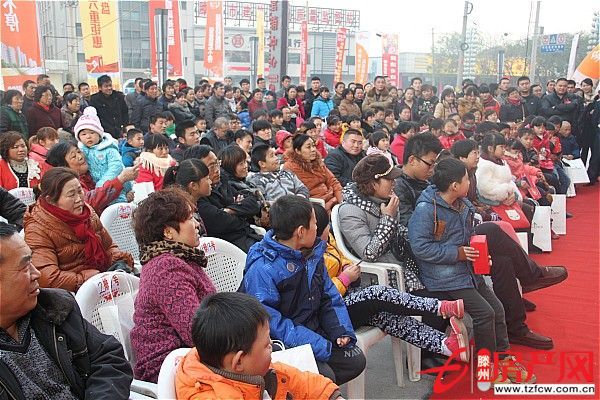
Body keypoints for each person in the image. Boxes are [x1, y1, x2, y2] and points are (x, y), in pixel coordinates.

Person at [409, 158, 538, 383]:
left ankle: (502, 359)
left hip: (467, 272)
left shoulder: (463, 205)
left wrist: (479, 253)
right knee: (484, 313)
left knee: (497, 309)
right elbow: (420, 247)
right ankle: (485, 368)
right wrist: (456, 253)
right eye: (466, 179)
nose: (470, 182)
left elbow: (468, 237)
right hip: (444, 278)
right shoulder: (426, 210)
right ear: (454, 186)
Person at [314, 200, 470, 363]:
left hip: (346, 298)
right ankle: (439, 307)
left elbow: (340, 256)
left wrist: (346, 265)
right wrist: (344, 279)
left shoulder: (325, 241)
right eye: (323, 228)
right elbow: (320, 296)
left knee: (388, 317)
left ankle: (445, 345)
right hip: (331, 312)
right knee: (376, 293)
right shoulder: (311, 259)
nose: (329, 231)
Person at [241, 195, 366, 385]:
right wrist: (317, 344)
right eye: (314, 223)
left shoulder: (312, 253)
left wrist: (340, 330)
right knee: (324, 377)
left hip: (311, 330)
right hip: (281, 344)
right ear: (300, 232)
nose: (318, 227)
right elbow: (270, 323)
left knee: (355, 361)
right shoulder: (264, 268)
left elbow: (329, 296)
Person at [0, 222, 133, 399]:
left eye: (31, 262)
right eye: (25, 267)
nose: (36, 274)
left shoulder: (54, 308)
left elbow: (108, 358)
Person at [176, 292, 342, 399]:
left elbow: (299, 381)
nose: (272, 344)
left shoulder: (254, 370)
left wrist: (331, 396)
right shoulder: (214, 396)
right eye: (266, 344)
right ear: (239, 361)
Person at [131, 188, 215, 383]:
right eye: (190, 218)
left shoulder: (183, 257)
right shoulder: (166, 268)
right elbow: (196, 333)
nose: (197, 224)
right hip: (169, 368)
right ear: (168, 232)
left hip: (193, 358)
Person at [23, 168, 133, 291]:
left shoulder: (88, 212)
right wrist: (85, 279)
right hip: (71, 294)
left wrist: (117, 260)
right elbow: (48, 278)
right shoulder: (37, 229)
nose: (79, 199)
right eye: (71, 195)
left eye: (79, 191)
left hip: (102, 282)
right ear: (51, 200)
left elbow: (108, 246)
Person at [186, 145, 263, 252]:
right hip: (229, 248)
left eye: (217, 163)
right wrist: (241, 213)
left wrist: (228, 210)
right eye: (211, 166)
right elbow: (221, 222)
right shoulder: (197, 198)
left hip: (249, 235)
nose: (217, 170)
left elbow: (253, 203)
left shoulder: (222, 182)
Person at [46, 141, 137, 214]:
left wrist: (122, 196)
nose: (80, 157)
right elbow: (89, 201)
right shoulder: (68, 183)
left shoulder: (92, 171)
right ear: (63, 166)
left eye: (79, 151)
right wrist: (121, 179)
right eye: (73, 156)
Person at [74, 107, 130, 203]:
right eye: (83, 134)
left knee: (118, 203)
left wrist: (102, 184)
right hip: (97, 190)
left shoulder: (109, 149)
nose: (88, 136)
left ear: (99, 134)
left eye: (92, 132)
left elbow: (116, 166)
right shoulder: (81, 150)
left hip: (115, 183)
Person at [283, 135, 342, 211]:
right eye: (308, 147)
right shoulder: (290, 167)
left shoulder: (318, 163)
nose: (313, 150)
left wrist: (341, 202)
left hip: (332, 200)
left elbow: (333, 182)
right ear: (298, 151)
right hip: (313, 206)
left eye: (313, 146)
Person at [89, 75, 129, 139]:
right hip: (103, 132)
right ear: (100, 88)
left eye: (110, 85)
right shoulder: (94, 99)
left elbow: (125, 113)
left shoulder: (119, 96)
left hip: (119, 131)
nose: (109, 88)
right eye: (106, 86)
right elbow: (93, 117)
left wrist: (125, 129)